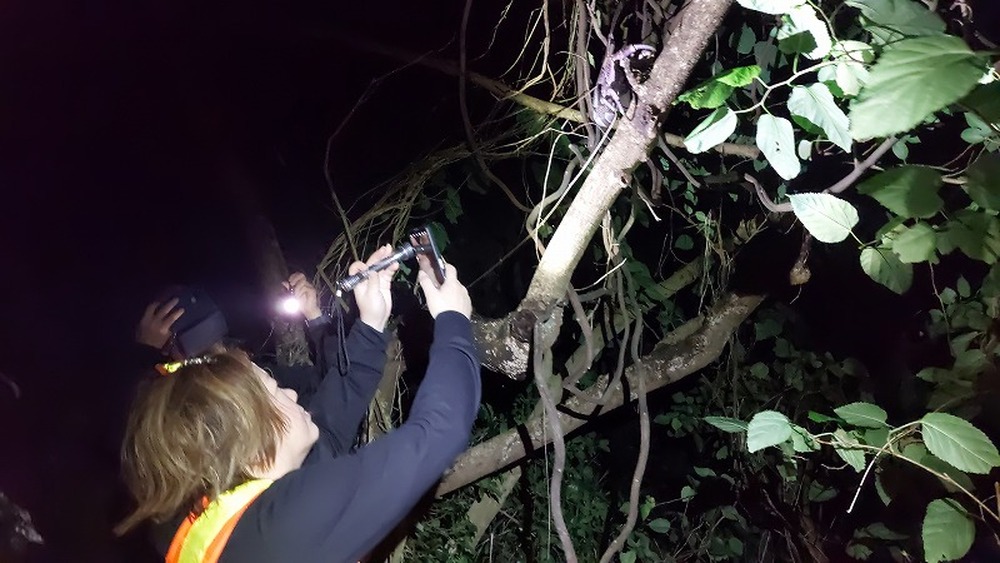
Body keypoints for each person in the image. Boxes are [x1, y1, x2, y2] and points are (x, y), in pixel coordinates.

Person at [114, 247, 481, 563]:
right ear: (252, 446)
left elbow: (330, 427)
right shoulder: (281, 530)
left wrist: (371, 321)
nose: (291, 394)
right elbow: (439, 432)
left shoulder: (210, 509)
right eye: (276, 391)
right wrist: (453, 318)